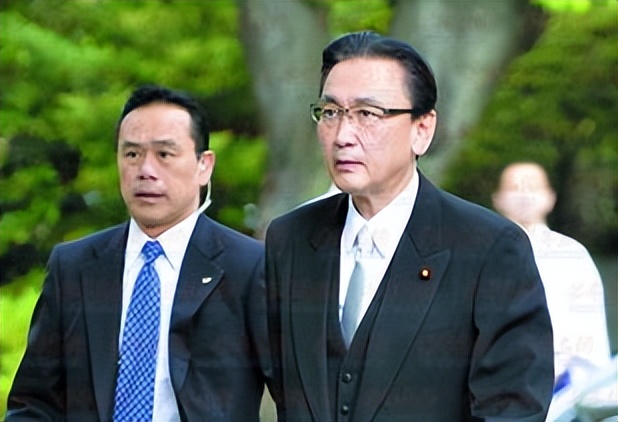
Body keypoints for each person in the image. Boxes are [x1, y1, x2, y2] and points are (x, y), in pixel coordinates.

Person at [265, 31, 554, 421]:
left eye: (368, 114)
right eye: (330, 112)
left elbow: (512, 408)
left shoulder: (488, 248)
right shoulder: (291, 240)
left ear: (422, 129)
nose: (343, 136)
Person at [6, 85, 270, 422]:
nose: (146, 170)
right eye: (132, 154)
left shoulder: (248, 266)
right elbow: (33, 403)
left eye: (164, 154)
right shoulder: (74, 267)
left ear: (204, 165)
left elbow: (297, 394)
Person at [492, 161, 612, 419]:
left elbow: (586, 334)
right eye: (515, 188)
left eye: (532, 187)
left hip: (564, 393)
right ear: (498, 199)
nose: (524, 195)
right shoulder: (479, 254)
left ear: (550, 198)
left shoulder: (572, 255)